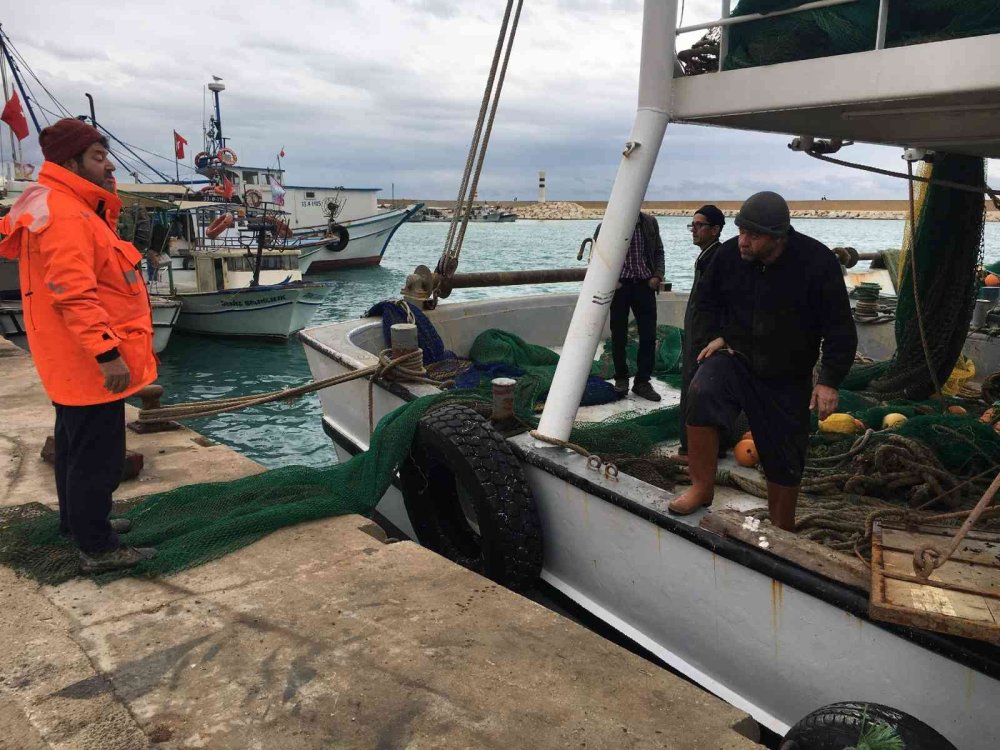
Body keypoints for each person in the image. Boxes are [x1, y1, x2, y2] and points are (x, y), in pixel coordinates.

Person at [0, 118, 159, 572]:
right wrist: (107, 355)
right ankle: (98, 548)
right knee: (98, 457)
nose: (108, 164)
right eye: (97, 156)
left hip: (68, 360)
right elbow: (74, 294)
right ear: (70, 162)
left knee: (73, 446)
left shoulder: (58, 204)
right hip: (89, 362)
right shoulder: (69, 215)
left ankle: (79, 524)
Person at [667, 191, 857, 531]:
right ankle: (701, 487)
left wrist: (829, 380)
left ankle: (782, 524)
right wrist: (718, 334)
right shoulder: (728, 257)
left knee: (785, 451)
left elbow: (839, 327)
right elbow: (706, 301)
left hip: (787, 373)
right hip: (736, 359)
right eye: (740, 231)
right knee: (702, 390)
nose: (742, 241)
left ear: (779, 237)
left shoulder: (816, 263)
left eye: (752, 235)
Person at [595, 211, 665, 402]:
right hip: (620, 287)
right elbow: (596, 255)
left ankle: (642, 381)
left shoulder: (649, 223)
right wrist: (612, 281)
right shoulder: (606, 226)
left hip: (645, 285)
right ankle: (621, 379)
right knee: (618, 335)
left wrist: (657, 275)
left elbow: (658, 250)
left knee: (649, 335)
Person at [678, 205, 726, 460]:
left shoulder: (716, 259)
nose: (693, 230)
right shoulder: (706, 257)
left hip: (705, 338)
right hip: (697, 334)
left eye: (699, 225)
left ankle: (695, 450)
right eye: (692, 225)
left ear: (715, 230)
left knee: (699, 390)